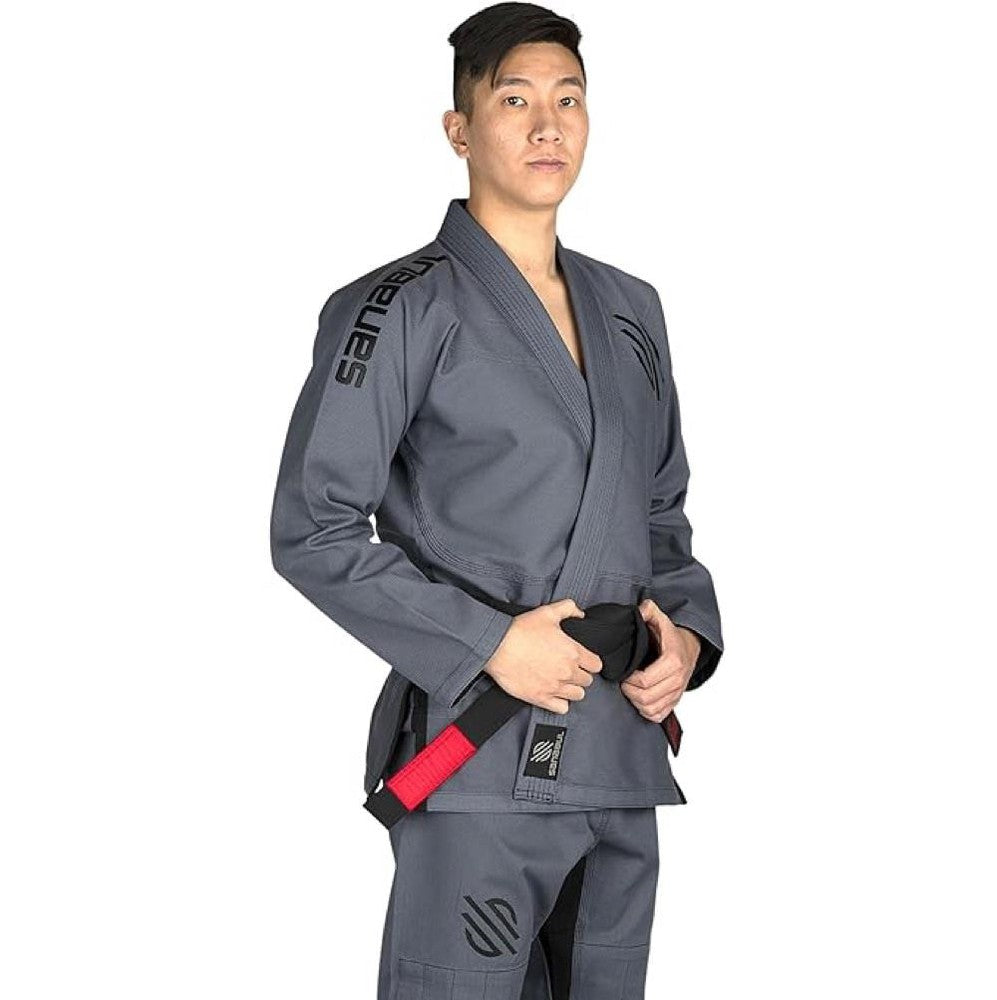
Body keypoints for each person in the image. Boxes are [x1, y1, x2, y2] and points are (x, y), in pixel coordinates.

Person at [269, 3, 724, 996]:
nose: (547, 125)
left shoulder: (631, 309)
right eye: (515, 100)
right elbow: (315, 528)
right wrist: (489, 642)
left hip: (619, 752)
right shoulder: (397, 306)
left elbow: (660, 511)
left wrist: (686, 638)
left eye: (569, 99)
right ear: (459, 129)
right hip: (478, 754)